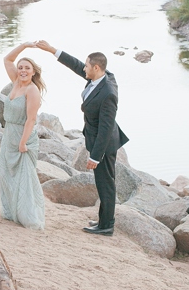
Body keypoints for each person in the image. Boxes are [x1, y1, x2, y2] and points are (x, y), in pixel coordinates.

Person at [34, 40, 128, 236]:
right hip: (98, 140)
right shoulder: (100, 77)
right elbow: (75, 65)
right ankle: (104, 219)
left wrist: (95, 156)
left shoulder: (108, 93)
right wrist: (52, 50)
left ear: (96, 67)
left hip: (104, 144)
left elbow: (106, 127)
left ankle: (107, 226)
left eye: (87, 65)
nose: (83, 68)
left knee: (106, 184)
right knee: (103, 183)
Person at [0, 42, 46, 229]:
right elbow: (7, 59)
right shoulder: (16, 82)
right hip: (8, 134)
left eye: (27, 68)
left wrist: (23, 143)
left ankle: (29, 217)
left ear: (34, 72)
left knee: (24, 178)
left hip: (22, 136)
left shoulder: (32, 90)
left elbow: (31, 119)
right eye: (20, 68)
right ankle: (12, 212)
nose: (23, 71)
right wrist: (24, 45)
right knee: (6, 175)